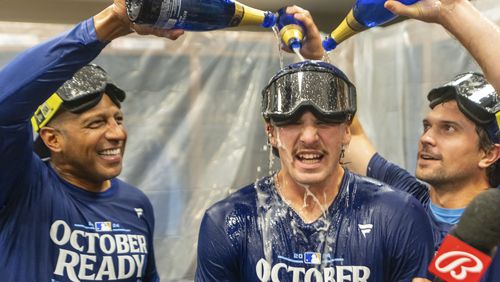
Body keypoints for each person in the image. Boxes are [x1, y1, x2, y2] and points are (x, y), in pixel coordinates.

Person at [195, 59, 434, 281]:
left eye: (324, 122)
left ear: (347, 131)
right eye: (293, 122)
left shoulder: (398, 216)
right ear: (271, 133)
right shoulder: (229, 222)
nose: (309, 137)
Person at [0, 0, 183, 281]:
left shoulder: (135, 204)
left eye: (118, 119)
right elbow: (4, 107)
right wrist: (109, 23)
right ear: (52, 139)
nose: (117, 133)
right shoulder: (23, 185)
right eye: (95, 123)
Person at [343, 0, 500, 280]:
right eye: (427, 126)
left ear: (489, 154)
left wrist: (451, 11)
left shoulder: (493, 226)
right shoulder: (409, 200)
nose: (426, 138)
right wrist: (317, 57)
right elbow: (350, 137)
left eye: (448, 129)